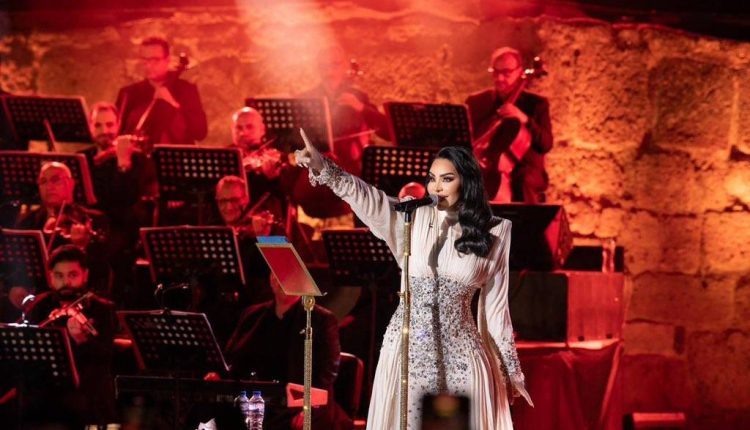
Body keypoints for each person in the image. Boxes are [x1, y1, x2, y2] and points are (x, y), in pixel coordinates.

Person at [295, 139, 532, 428]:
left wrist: (509, 371)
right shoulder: (411, 217)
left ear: (467, 182)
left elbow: (496, 309)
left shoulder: (496, 231)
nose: (436, 187)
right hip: (407, 349)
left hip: (462, 357)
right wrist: (322, 166)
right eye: (432, 178)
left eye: (447, 179)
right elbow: (366, 197)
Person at [5, 245, 117, 429]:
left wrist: (81, 340)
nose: (66, 282)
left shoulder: (102, 308)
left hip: (84, 391)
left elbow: (106, 357)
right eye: (59, 276)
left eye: (73, 275)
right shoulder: (40, 304)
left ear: (85, 275)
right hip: (44, 389)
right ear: (50, 277)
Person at [223, 274, 351, 430]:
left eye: (289, 276)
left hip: (299, 404)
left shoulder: (321, 319)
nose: (283, 282)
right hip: (260, 399)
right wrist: (220, 375)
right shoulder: (253, 315)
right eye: (277, 275)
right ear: (271, 280)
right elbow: (234, 358)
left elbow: (327, 373)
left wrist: (307, 407)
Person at [465, 47, 553, 203]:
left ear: (519, 72)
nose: (499, 78)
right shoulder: (478, 102)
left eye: (506, 73)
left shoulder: (536, 104)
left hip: (525, 169)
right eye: (495, 72)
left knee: (523, 179)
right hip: (488, 164)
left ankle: (525, 219)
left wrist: (524, 118)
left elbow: (545, 144)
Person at [115, 36, 207, 145]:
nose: (149, 65)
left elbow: (200, 133)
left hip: (176, 154)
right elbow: (117, 135)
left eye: (155, 60)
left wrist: (173, 104)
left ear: (167, 60)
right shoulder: (129, 93)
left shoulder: (186, 90)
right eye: (145, 60)